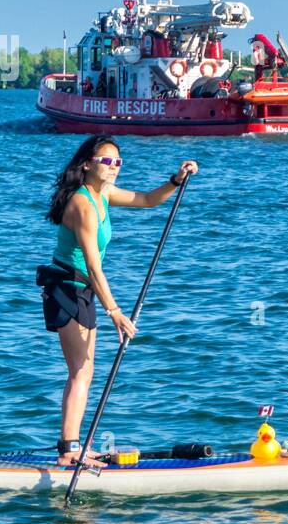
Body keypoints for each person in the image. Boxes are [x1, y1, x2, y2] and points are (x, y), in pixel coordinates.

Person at [42, 135, 197, 467]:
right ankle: (69, 451)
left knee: (83, 371)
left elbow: (146, 200)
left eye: (118, 163)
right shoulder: (82, 204)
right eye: (106, 161)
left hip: (81, 289)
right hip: (67, 288)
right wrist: (114, 311)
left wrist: (175, 180)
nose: (113, 168)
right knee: (81, 372)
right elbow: (93, 264)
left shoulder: (104, 194)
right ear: (87, 164)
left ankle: (72, 445)